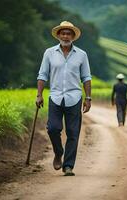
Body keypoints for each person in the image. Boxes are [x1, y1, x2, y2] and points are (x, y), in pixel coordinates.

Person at [36, 21, 92, 176]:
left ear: (73, 36)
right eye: (63, 33)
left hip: (74, 97)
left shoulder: (81, 55)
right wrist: (39, 95)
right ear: (58, 35)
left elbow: (86, 77)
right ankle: (58, 152)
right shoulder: (49, 53)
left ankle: (68, 166)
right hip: (55, 96)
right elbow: (42, 75)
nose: (66, 36)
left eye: (69, 33)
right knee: (53, 128)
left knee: (73, 133)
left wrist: (88, 98)